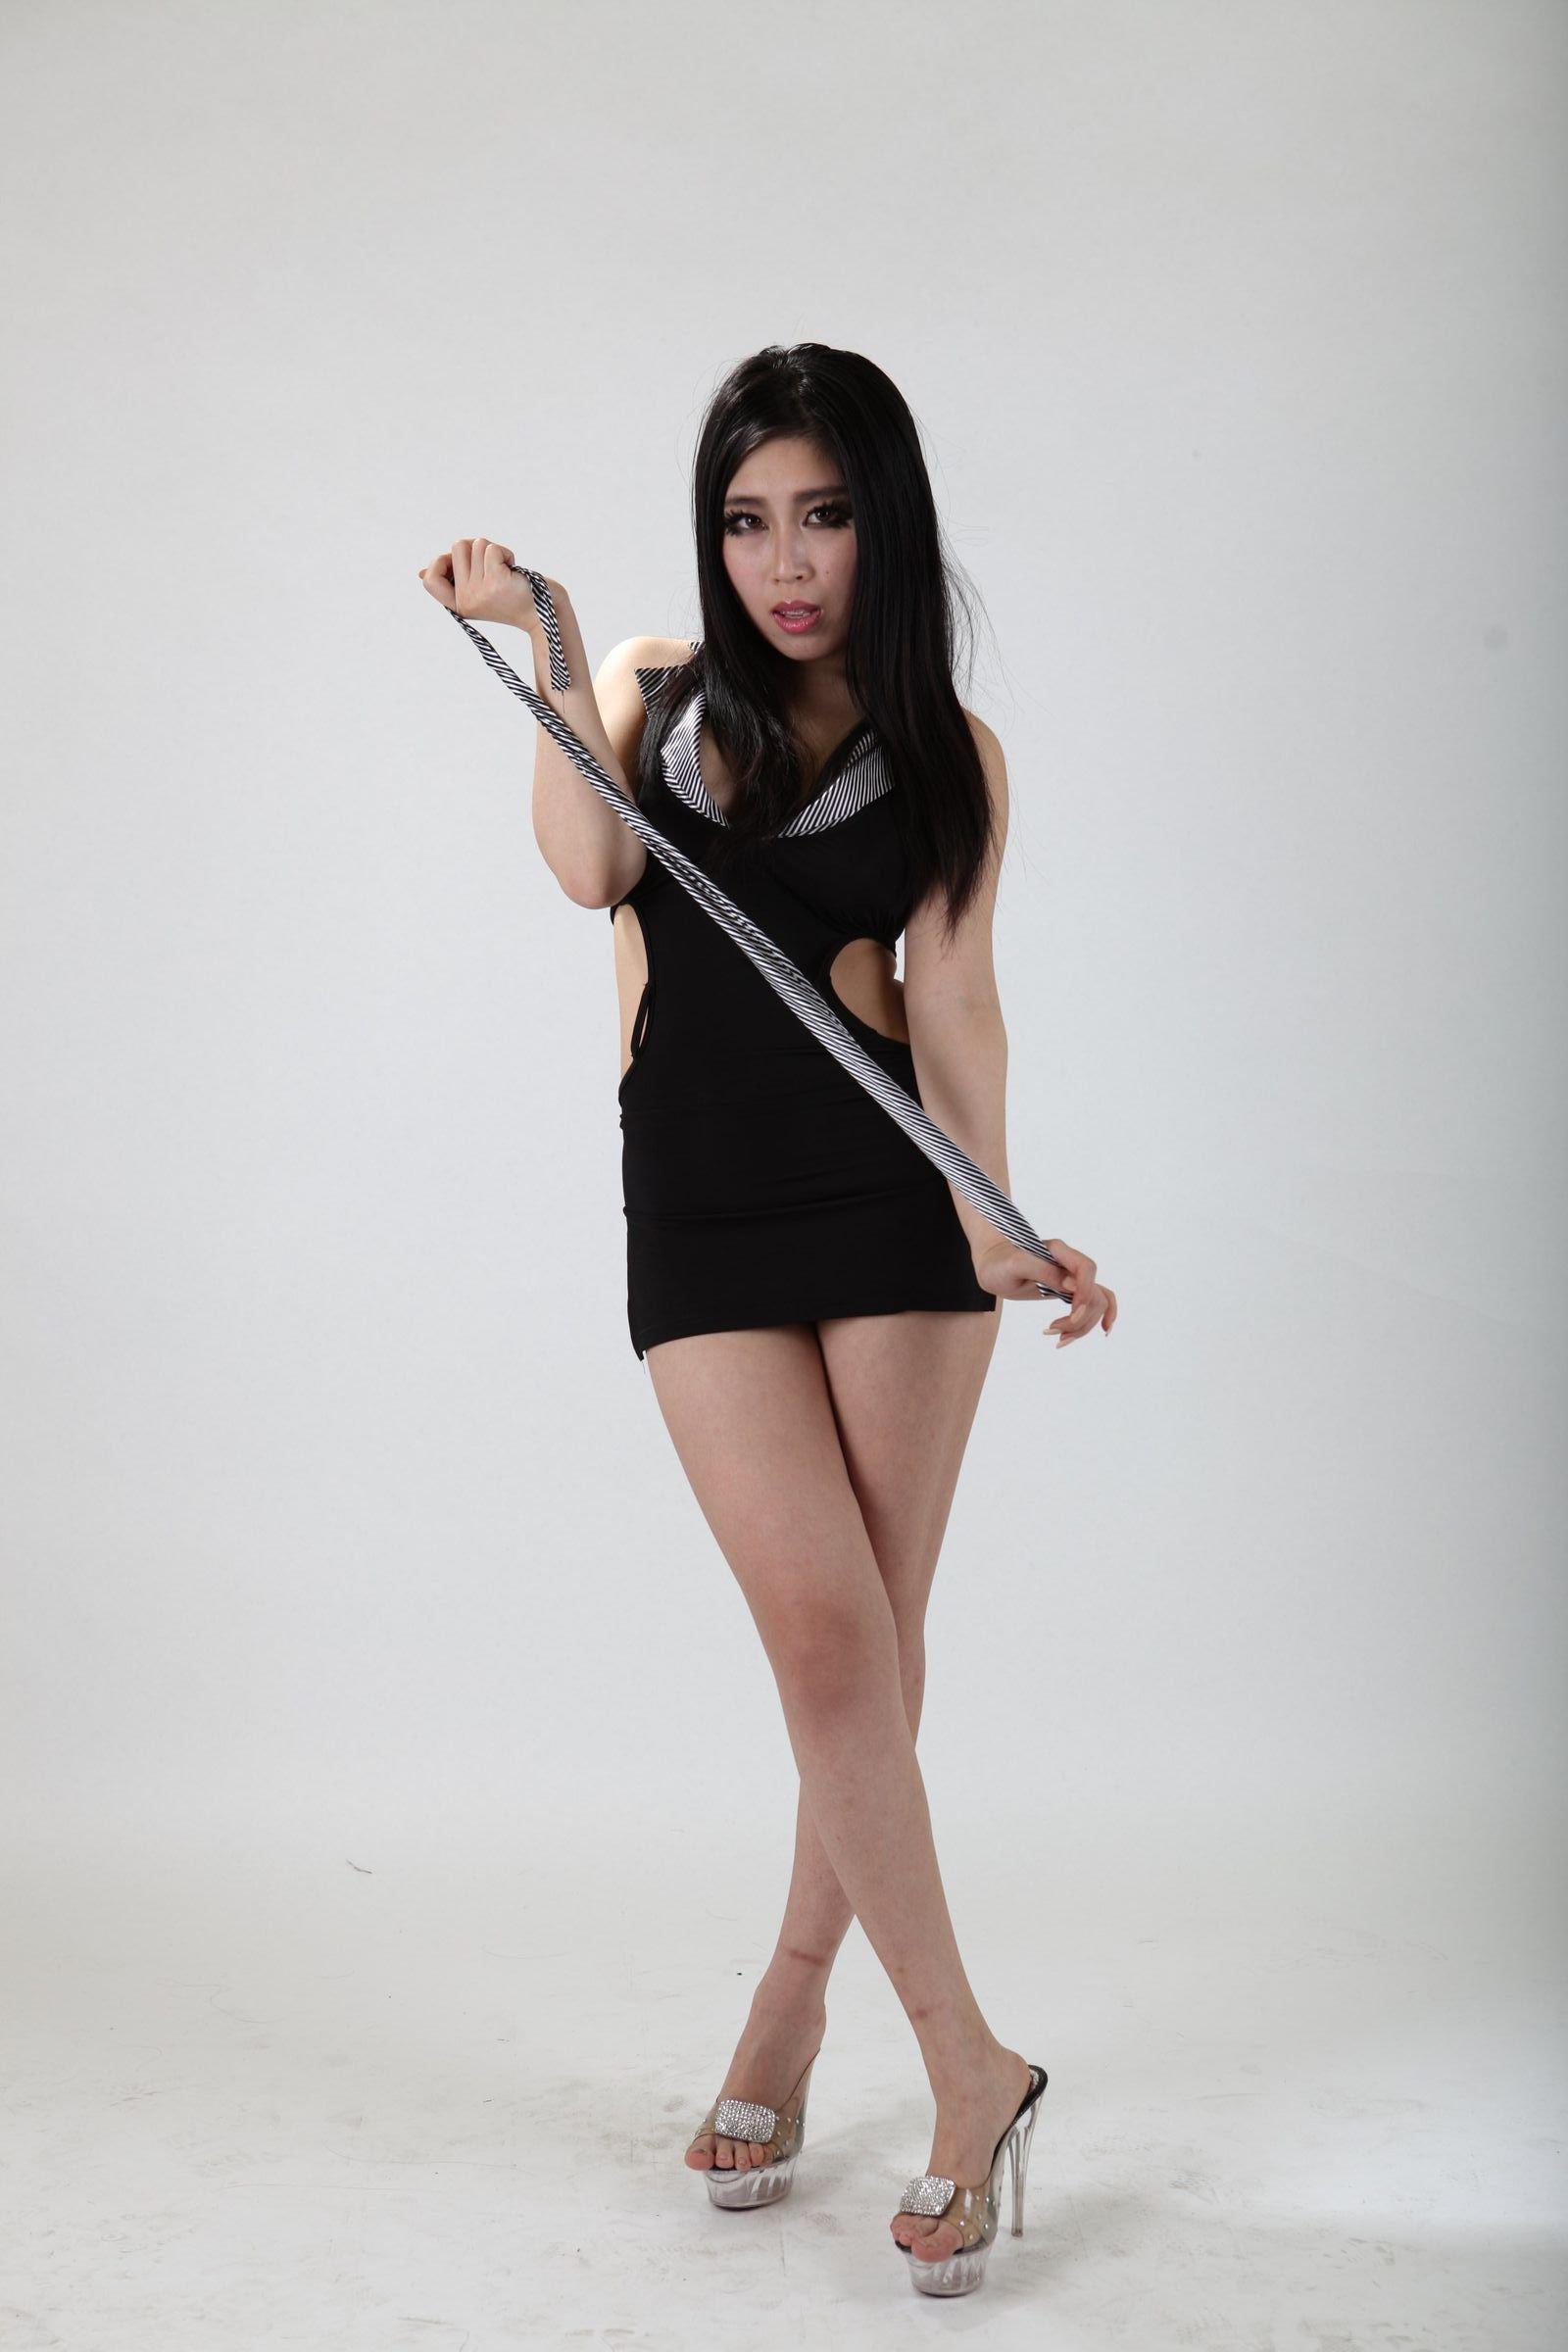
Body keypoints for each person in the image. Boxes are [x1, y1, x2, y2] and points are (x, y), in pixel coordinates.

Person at [418, 342, 1117, 2299]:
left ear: (882, 524)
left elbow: (953, 1004)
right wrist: (551, 630)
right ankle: (952, 2055)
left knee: (855, 1654)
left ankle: (830, 2025)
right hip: (702, 1221)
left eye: (822, 516)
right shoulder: (646, 690)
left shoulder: (950, 752)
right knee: (825, 1633)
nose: (784, 563)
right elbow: (587, 869)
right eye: (746, 521)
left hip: (893, 1222)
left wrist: (996, 1224)